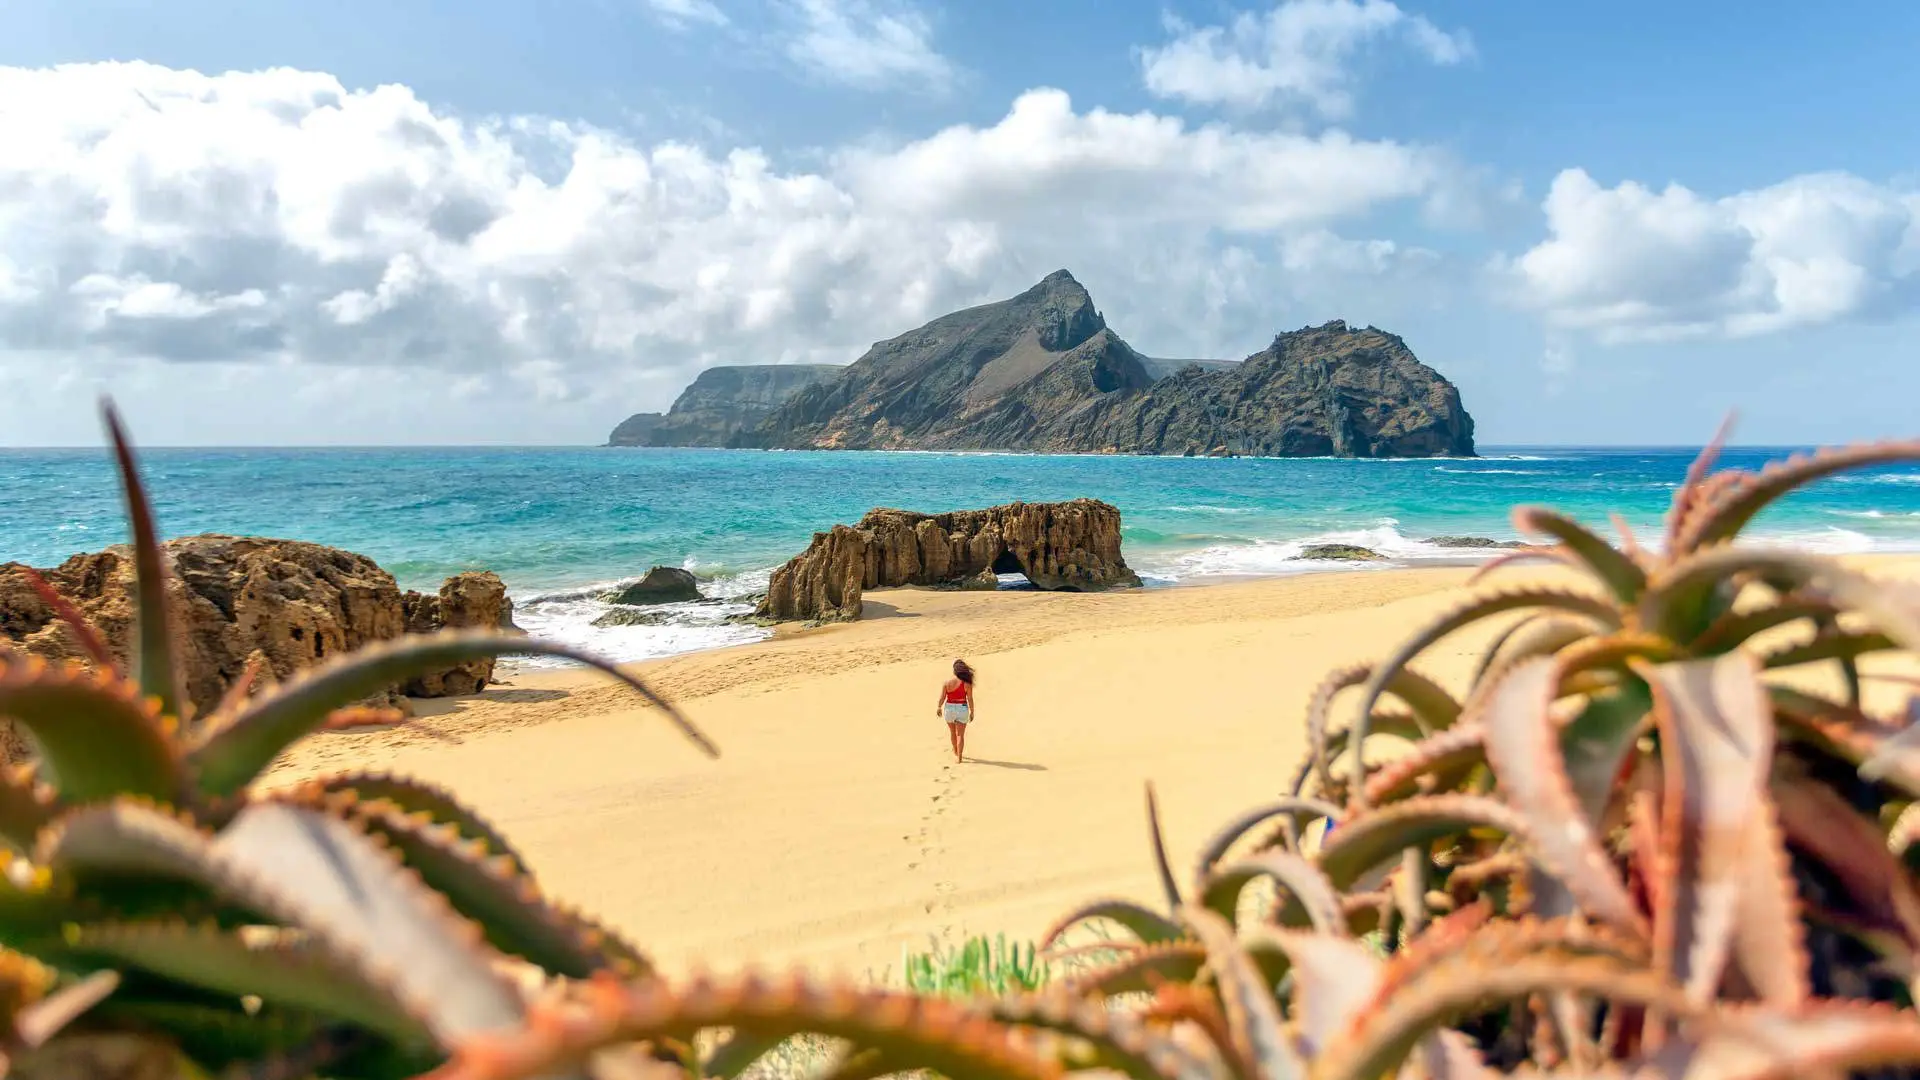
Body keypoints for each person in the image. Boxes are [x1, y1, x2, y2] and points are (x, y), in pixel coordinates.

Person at [935, 659, 976, 763]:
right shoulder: (967, 684)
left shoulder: (947, 683)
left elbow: (942, 697)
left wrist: (939, 707)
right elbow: (970, 698)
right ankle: (959, 758)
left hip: (949, 708)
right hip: (962, 707)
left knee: (953, 733)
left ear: (954, 671)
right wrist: (972, 711)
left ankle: (956, 752)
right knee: (960, 735)